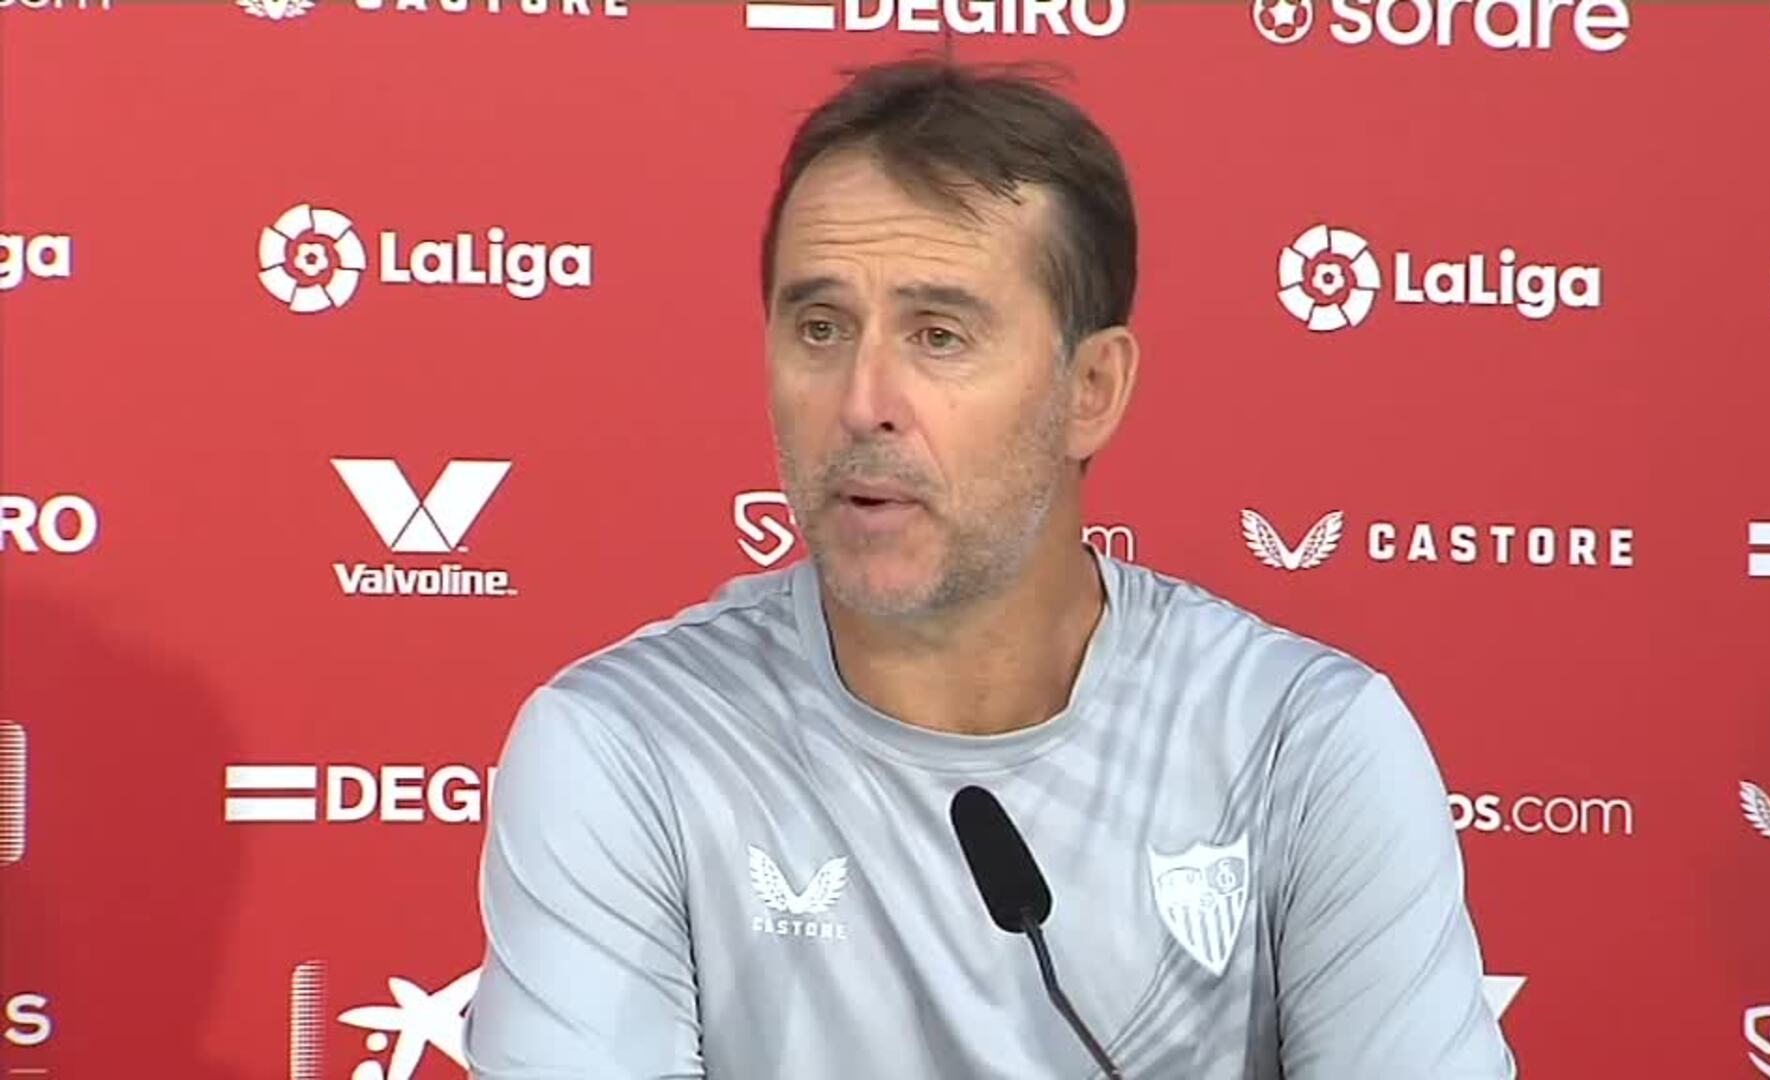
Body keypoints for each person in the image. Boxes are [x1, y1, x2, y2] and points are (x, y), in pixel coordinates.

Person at [462, 56, 1515, 1079]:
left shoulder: (1302, 743)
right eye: (821, 328)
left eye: (939, 336)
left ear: (1091, 389)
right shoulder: (630, 745)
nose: (863, 401)